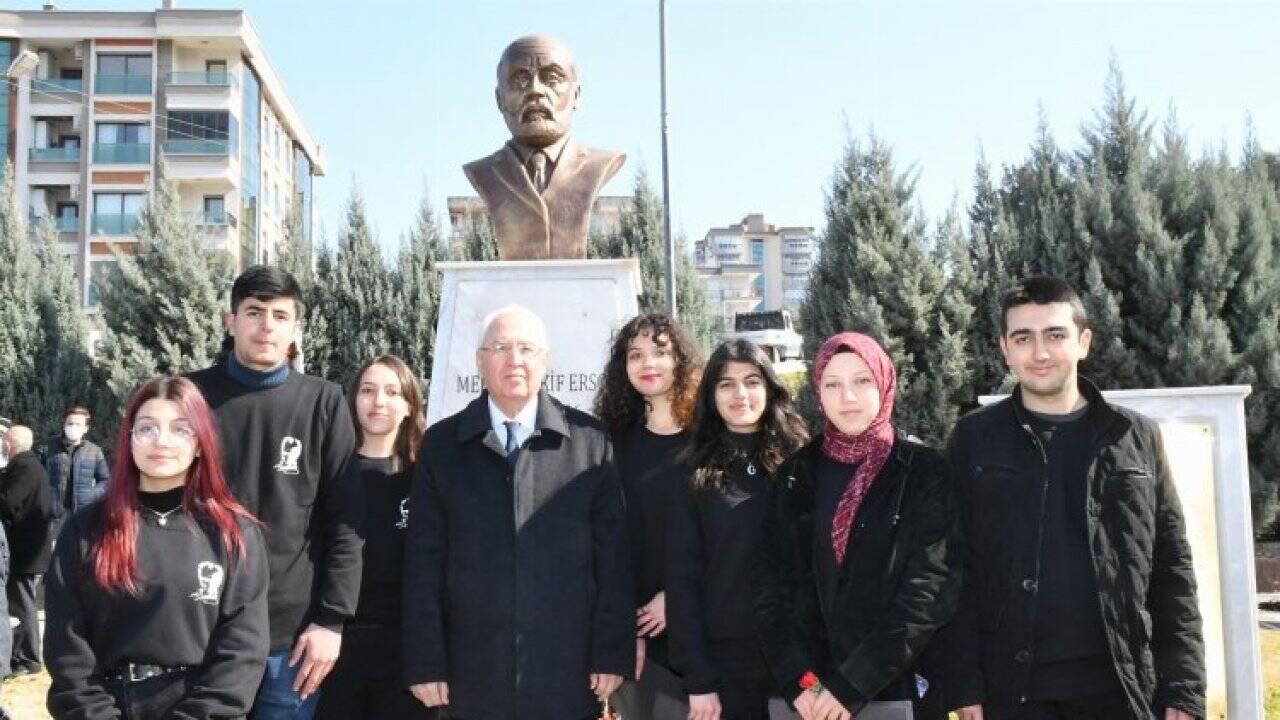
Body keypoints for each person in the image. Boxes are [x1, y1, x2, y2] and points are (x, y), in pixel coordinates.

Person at [938, 276, 1205, 720]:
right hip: (1013, 694)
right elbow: (952, 570)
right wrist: (965, 686)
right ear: (1005, 348)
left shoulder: (1134, 437)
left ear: (1083, 342)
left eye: (1055, 335)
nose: (1040, 352)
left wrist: (1184, 688)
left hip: (1121, 690)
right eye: (1024, 337)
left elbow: (1171, 567)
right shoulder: (974, 438)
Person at [404, 304, 633, 720]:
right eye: (500, 348)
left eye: (527, 349)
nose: (514, 360)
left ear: (544, 361)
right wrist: (425, 660)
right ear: (479, 361)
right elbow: (423, 562)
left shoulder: (590, 442)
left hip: (565, 671)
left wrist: (611, 652)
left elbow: (613, 561)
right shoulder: (442, 445)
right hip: (470, 673)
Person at [756, 332, 962, 720]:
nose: (847, 396)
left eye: (861, 381)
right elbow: (772, 592)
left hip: (894, 689)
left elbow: (928, 591)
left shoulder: (923, 472)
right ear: (818, 392)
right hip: (808, 701)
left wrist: (851, 686)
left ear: (885, 383)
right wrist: (803, 683)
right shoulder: (796, 475)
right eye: (832, 384)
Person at [189, 266, 362, 719]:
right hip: (202, 630)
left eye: (280, 315)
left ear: (295, 327)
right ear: (231, 322)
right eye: (255, 312)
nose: (267, 326)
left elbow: (347, 522)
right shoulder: (190, 397)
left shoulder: (324, 401)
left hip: (292, 642)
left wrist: (331, 620)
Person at [43, 376, 269, 719]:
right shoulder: (85, 529)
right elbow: (66, 647)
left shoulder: (233, 534)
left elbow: (242, 651)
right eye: (147, 428)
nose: (161, 441)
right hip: (105, 704)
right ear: (129, 439)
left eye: (180, 429)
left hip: (195, 705)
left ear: (199, 444)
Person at [666, 339, 809, 720]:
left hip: (800, 662)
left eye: (751, 381)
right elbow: (682, 583)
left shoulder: (803, 462)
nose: (740, 394)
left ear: (769, 388)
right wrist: (700, 681)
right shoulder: (689, 471)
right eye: (726, 383)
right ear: (711, 394)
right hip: (725, 665)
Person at [594, 313, 703, 718]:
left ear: (681, 360)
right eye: (635, 355)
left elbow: (726, 536)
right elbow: (608, 542)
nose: (648, 364)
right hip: (639, 639)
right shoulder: (609, 444)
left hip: (703, 626)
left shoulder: (709, 441)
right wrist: (627, 627)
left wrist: (677, 596)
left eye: (660, 352)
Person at [317, 356, 430, 719]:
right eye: (367, 390)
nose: (378, 401)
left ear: (410, 405)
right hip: (335, 647)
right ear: (353, 401)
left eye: (391, 392)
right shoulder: (328, 474)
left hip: (406, 651)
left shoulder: (427, 479)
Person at [464, 35, 626, 259]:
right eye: (520, 80)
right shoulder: (483, 173)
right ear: (499, 99)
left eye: (551, 78)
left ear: (576, 95)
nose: (535, 91)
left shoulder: (598, 165)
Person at [0, 424, 52, 676]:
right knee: (18, 604)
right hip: (26, 550)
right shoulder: (26, 466)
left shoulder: (25, 468)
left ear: (9, 445)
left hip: (25, 551)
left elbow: (8, 503)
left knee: (22, 606)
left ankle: (28, 659)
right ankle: (19, 656)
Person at [39, 406, 111, 541]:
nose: (73, 427)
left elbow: (105, 481)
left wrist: (91, 494)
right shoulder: (47, 447)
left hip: (82, 514)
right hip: (53, 515)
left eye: (78, 424)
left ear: (86, 428)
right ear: (64, 424)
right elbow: (37, 477)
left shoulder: (94, 451)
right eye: (70, 423)